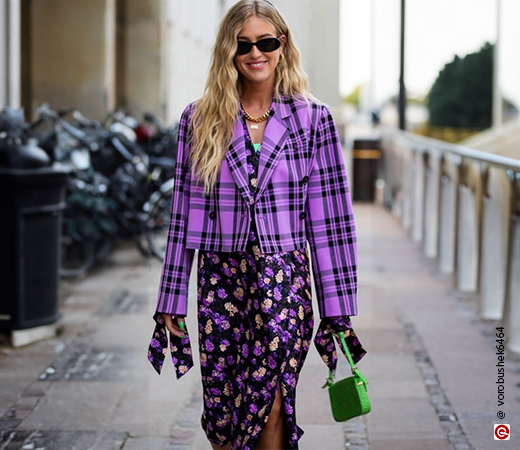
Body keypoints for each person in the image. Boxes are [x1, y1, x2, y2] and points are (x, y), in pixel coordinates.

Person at [147, 1, 367, 449]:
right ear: (230, 50)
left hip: (283, 282)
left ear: (282, 46)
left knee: (269, 404)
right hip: (220, 284)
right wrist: (171, 299)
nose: (255, 53)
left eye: (266, 42)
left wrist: (336, 309)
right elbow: (182, 216)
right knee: (224, 416)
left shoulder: (313, 120)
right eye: (244, 44)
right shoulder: (199, 118)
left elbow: (331, 221)